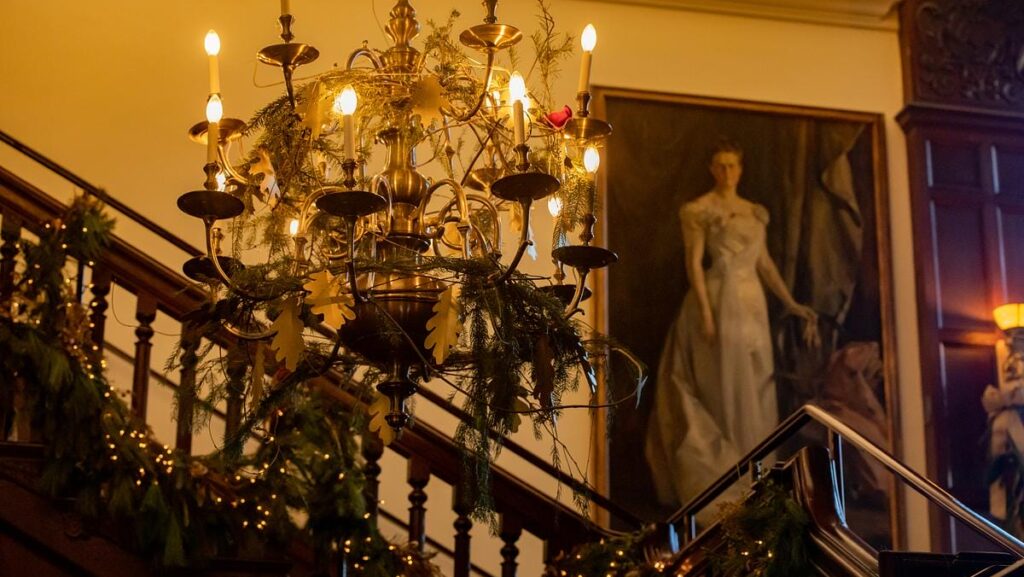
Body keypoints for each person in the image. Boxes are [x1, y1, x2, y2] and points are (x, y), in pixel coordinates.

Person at [645, 140, 818, 509]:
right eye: (720, 165)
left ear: (741, 169)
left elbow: (765, 264)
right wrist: (706, 313)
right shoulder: (699, 211)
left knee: (756, 383)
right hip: (717, 299)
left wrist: (791, 304)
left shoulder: (755, 213)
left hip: (751, 303)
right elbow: (693, 263)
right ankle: (724, 478)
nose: (726, 172)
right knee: (722, 385)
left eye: (732, 166)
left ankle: (757, 476)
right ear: (712, 169)